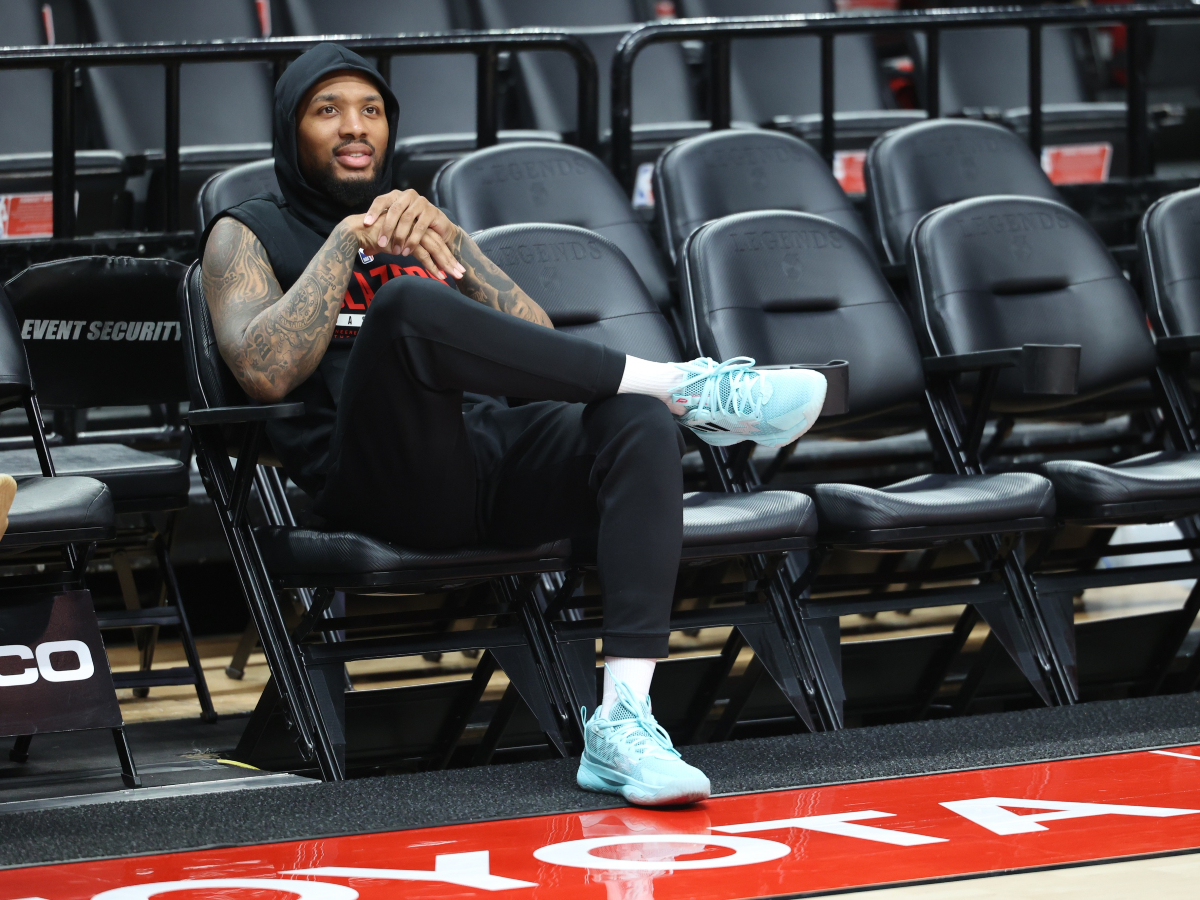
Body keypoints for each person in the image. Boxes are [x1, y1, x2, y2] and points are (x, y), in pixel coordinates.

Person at [200, 43, 826, 805]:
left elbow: (537, 343)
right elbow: (262, 371)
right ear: (290, 129)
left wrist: (457, 246)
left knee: (634, 419)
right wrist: (344, 243)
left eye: (371, 110)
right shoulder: (245, 232)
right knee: (405, 306)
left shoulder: (423, 224)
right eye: (327, 111)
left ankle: (624, 720)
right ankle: (686, 386)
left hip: (486, 459)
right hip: (378, 483)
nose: (355, 127)